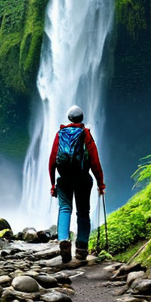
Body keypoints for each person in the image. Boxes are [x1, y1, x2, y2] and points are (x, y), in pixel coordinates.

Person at [48, 105, 105, 262]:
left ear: (69, 118)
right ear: (82, 119)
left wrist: (53, 183)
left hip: (64, 178)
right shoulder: (86, 134)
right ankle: (81, 248)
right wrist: (101, 184)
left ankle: (63, 240)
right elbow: (94, 161)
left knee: (65, 208)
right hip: (82, 178)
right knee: (83, 212)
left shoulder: (60, 134)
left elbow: (52, 160)